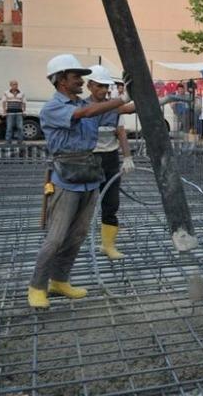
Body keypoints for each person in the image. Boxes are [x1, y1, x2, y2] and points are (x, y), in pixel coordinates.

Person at [27, 54, 130, 309]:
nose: (81, 81)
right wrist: (121, 98)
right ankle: (37, 286)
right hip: (66, 178)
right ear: (61, 80)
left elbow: (113, 110)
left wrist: (134, 94)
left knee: (78, 235)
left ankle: (60, 281)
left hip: (88, 176)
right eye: (76, 77)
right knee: (56, 237)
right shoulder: (54, 107)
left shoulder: (84, 103)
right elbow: (85, 112)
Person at [84, 65, 138, 261]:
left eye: (106, 86)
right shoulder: (81, 107)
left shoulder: (115, 108)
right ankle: (75, 243)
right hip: (88, 161)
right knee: (83, 205)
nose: (104, 90)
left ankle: (108, 245)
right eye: (99, 86)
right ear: (89, 85)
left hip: (110, 159)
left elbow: (121, 133)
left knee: (111, 203)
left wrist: (127, 157)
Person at [1, 79, 26, 144]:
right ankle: (8, 141)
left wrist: (24, 111)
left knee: (20, 127)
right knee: (9, 127)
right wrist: (4, 111)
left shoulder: (21, 93)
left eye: (16, 84)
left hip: (19, 112)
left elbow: (24, 103)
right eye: (14, 84)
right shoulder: (6, 93)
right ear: (11, 85)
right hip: (9, 113)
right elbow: (3, 102)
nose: (16, 85)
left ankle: (20, 141)